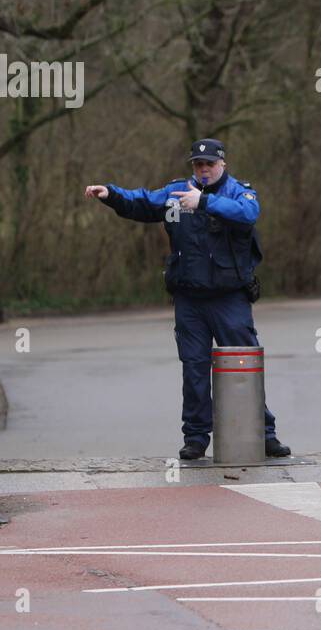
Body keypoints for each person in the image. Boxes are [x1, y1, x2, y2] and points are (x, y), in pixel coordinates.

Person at [84, 138, 290, 460]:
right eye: (198, 164)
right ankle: (195, 437)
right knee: (194, 368)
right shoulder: (175, 194)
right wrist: (111, 195)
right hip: (189, 299)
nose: (204, 169)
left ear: (223, 164)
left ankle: (264, 433)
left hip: (229, 297)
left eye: (209, 164)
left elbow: (248, 213)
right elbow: (143, 203)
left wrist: (204, 202)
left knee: (243, 366)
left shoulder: (239, 191)